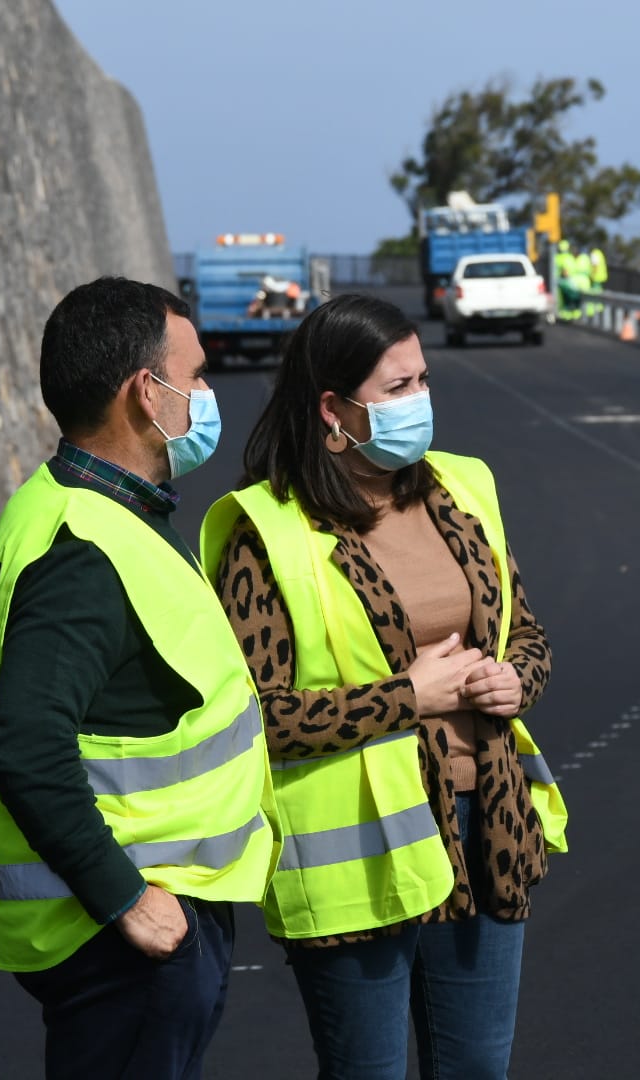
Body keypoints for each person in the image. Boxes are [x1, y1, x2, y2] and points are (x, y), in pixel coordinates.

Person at [200, 293, 567, 1080]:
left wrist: (514, 680)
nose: (421, 401)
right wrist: (407, 699)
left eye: (423, 380)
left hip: (484, 823)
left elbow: (526, 632)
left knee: (477, 1071)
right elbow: (251, 717)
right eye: (398, 388)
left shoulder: (461, 490)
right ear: (334, 409)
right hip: (358, 855)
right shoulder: (267, 530)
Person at [0, 276, 276, 1079]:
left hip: (130, 922)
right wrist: (126, 899)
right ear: (147, 392)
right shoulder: (86, 552)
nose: (205, 394)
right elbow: (25, 739)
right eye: (197, 374)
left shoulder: (66, 503)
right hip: (127, 931)